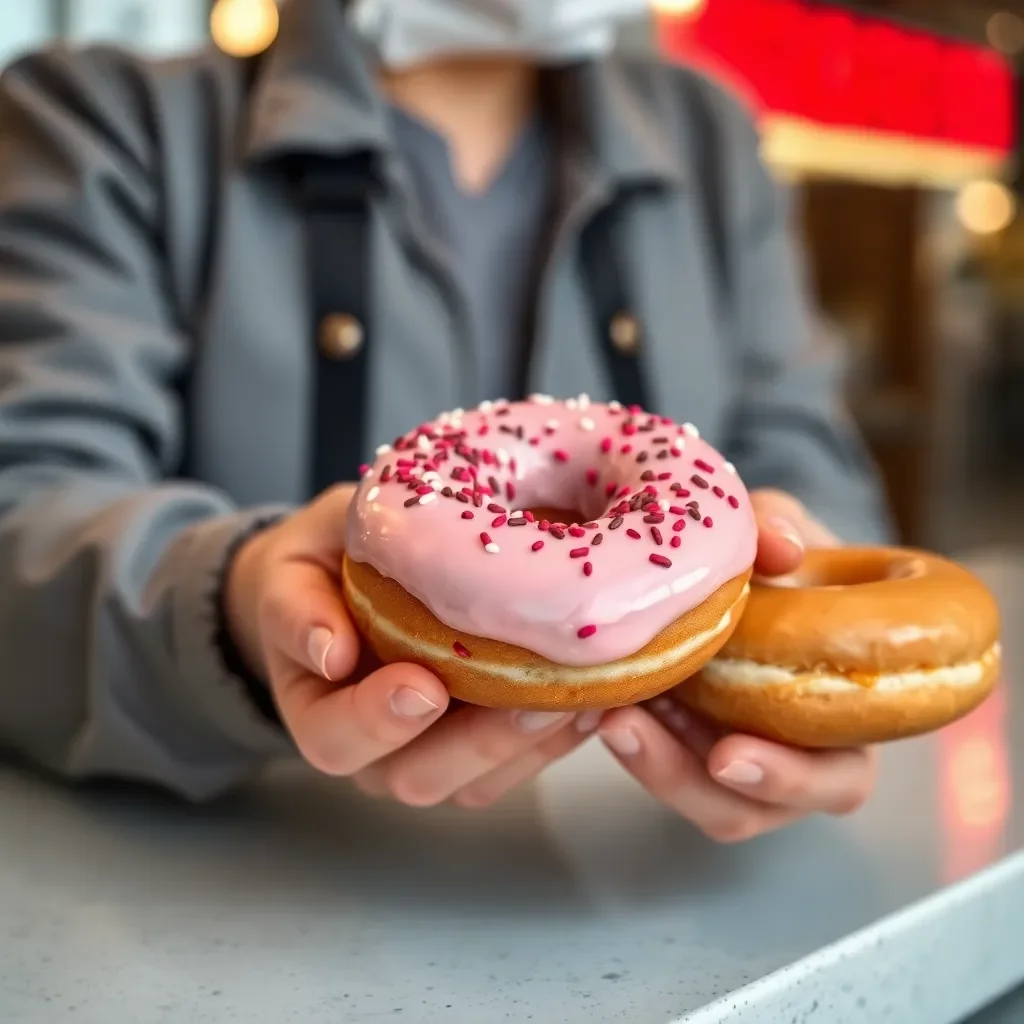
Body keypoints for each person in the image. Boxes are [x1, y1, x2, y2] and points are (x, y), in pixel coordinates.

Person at [0, 0, 891, 842]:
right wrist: (233, 604)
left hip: (638, 857)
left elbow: (814, 470)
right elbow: (25, 513)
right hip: (256, 878)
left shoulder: (709, 138)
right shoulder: (105, 125)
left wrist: (801, 689)